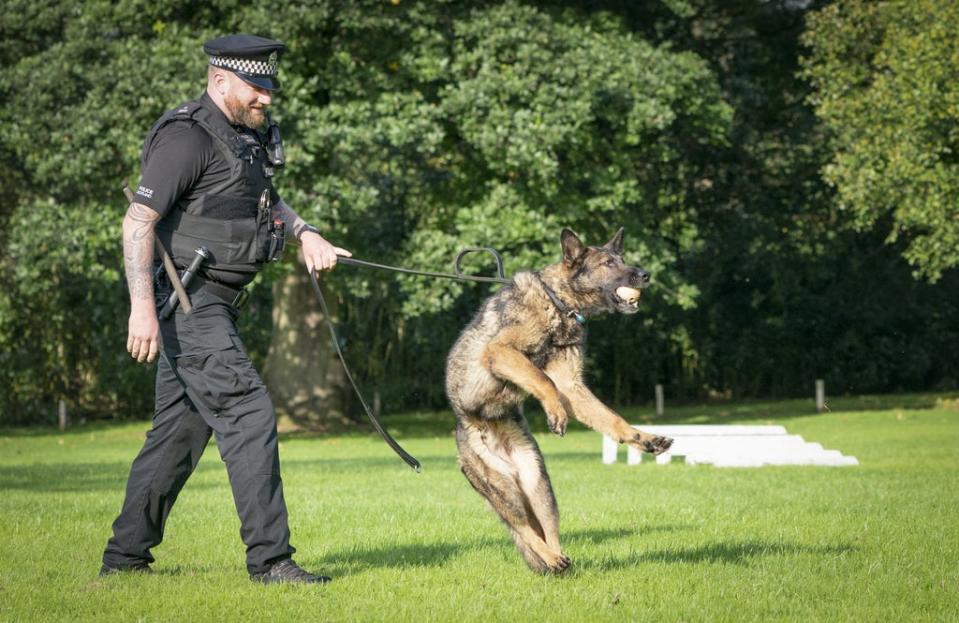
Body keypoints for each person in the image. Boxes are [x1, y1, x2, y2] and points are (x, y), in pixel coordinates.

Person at [101, 34, 350, 584]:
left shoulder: (243, 139)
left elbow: (266, 200)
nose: (266, 97)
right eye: (256, 87)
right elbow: (137, 223)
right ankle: (271, 562)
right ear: (221, 81)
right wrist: (140, 308)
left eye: (269, 88)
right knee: (249, 413)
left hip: (215, 304)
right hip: (190, 302)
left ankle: (124, 560)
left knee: (178, 435)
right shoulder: (187, 138)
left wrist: (305, 233)